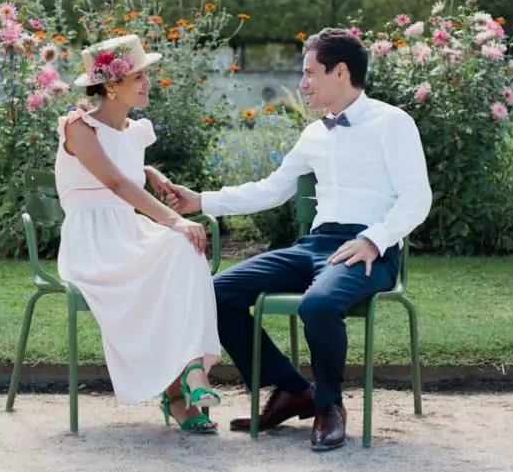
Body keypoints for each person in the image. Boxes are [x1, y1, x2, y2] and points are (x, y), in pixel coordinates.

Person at [165, 27, 433, 451]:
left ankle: (329, 406)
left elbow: (417, 198)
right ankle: (292, 389)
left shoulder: (393, 123)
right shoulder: (315, 133)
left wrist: (374, 240)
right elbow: (272, 189)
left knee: (319, 305)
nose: (302, 84)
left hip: (368, 249)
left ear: (340, 72)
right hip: (314, 245)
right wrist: (199, 200)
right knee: (214, 292)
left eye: (309, 73)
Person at [54, 34, 222, 434]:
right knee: (179, 237)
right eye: (139, 77)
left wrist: (150, 172)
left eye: (146, 76)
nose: (148, 84)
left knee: (185, 249)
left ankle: (194, 371)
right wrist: (175, 219)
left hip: (128, 232)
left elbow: (125, 166)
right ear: (112, 86)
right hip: (93, 241)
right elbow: (113, 182)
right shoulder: (78, 128)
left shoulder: (134, 130)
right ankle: (178, 390)